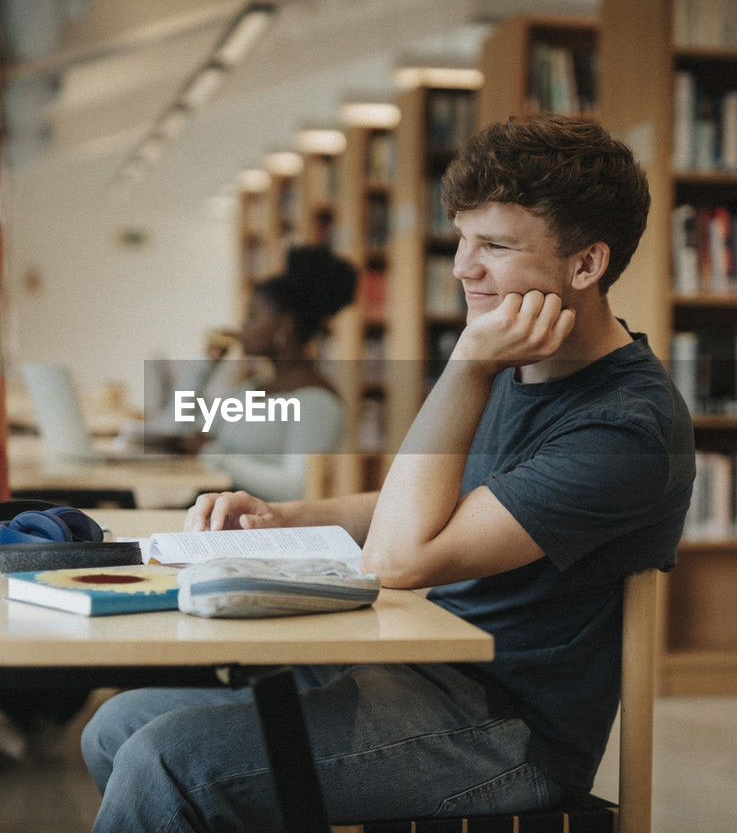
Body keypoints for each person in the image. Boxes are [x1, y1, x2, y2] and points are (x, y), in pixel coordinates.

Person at [81, 114, 695, 831]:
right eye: (463, 238)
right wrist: (287, 516)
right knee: (116, 723)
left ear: (586, 265)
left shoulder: (626, 425)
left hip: (504, 726)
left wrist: (467, 365)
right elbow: (437, 503)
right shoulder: (514, 360)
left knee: (165, 759)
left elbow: (403, 556)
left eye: (494, 245)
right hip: (410, 662)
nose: (464, 267)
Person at [189, 245, 356, 501]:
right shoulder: (251, 388)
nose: (244, 325)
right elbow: (180, 432)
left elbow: (297, 489)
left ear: (284, 325)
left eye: (253, 314)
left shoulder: (317, 402)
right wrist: (206, 364)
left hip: (256, 531)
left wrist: (214, 455)